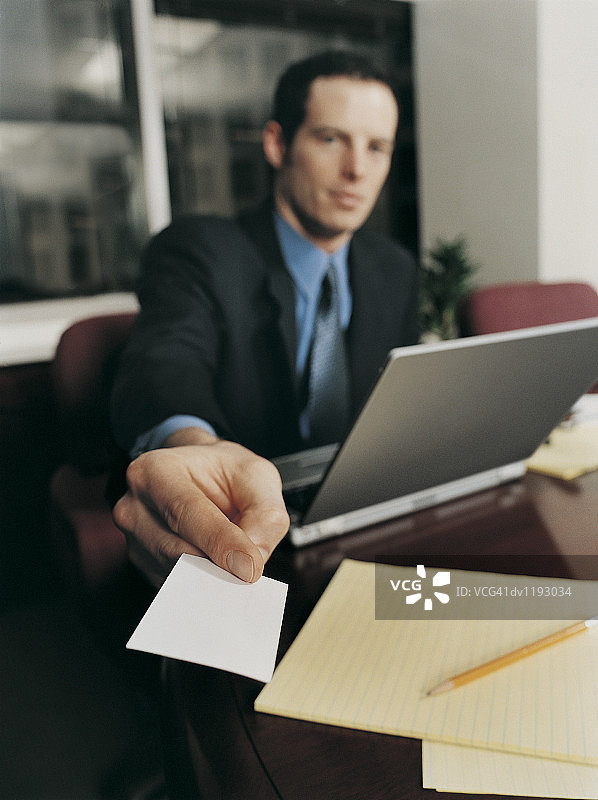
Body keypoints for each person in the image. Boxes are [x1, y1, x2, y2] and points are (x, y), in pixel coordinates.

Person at [110, 50, 419, 588]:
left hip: (357, 537)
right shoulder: (202, 250)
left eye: (377, 147)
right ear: (278, 144)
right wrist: (195, 449)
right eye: (331, 138)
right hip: (242, 543)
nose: (358, 169)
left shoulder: (394, 269)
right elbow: (166, 362)